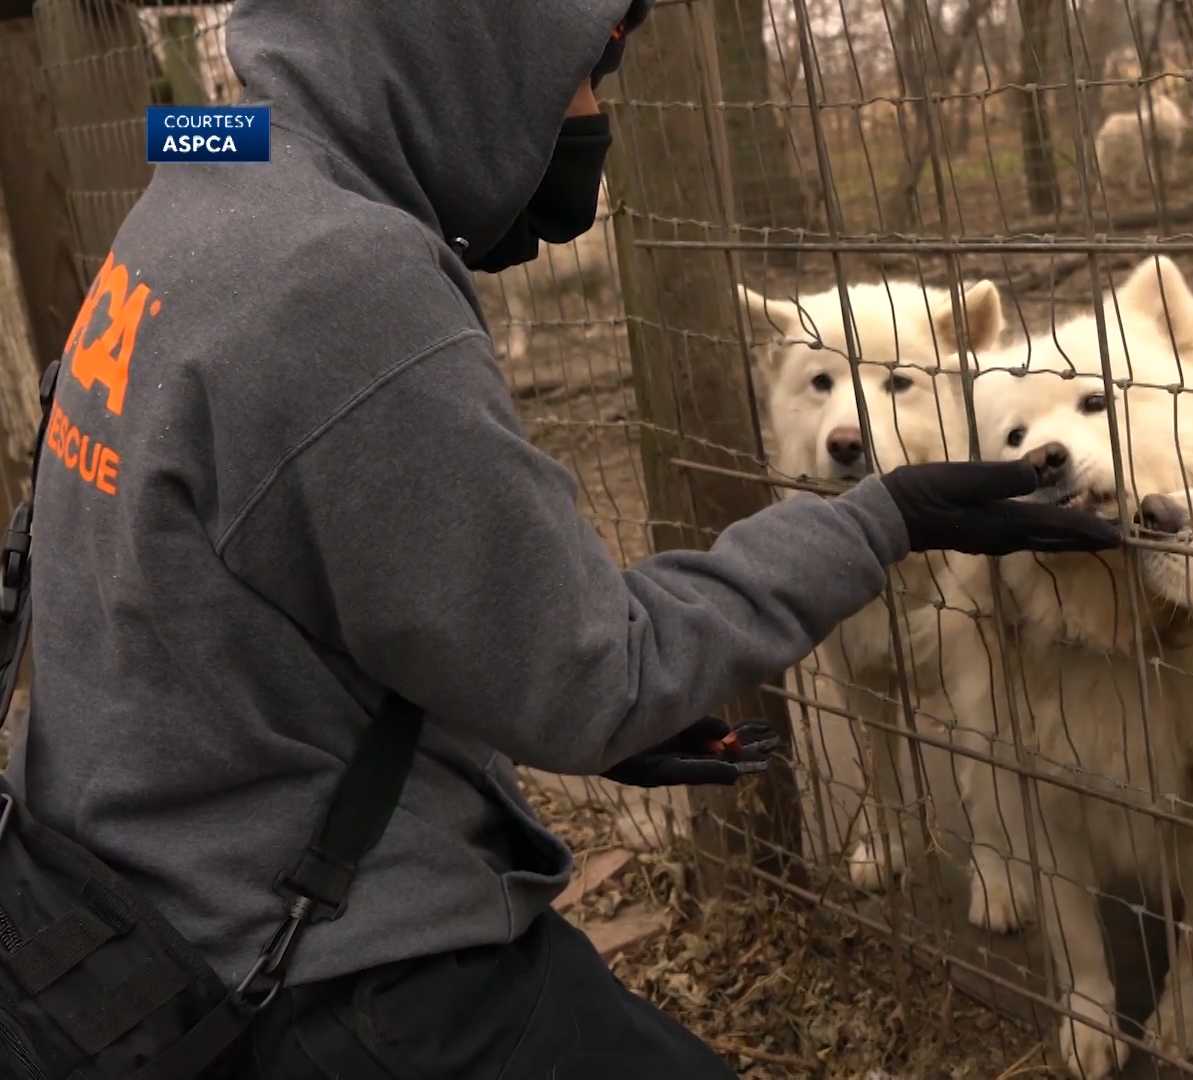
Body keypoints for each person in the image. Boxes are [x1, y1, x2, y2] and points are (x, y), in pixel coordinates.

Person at [12, 0, 1120, 1075]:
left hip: (125, 905)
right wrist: (888, 519)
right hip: (315, 973)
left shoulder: (208, 182)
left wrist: (522, 680)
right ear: (467, 36)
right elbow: (602, 672)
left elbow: (272, 577)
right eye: (585, 68)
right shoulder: (344, 284)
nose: (590, 111)